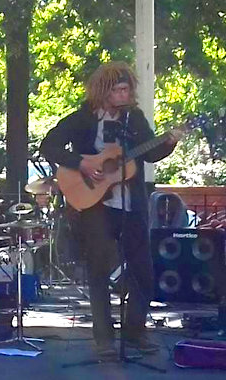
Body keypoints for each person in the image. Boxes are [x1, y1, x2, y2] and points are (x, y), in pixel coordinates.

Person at [40, 61, 182, 358]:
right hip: (94, 205)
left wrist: (168, 144)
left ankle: (135, 332)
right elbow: (49, 146)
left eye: (126, 89)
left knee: (142, 266)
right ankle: (104, 338)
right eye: (117, 89)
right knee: (99, 267)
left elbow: (151, 151)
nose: (123, 94)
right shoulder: (82, 119)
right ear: (103, 91)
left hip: (132, 204)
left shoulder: (136, 119)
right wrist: (82, 163)